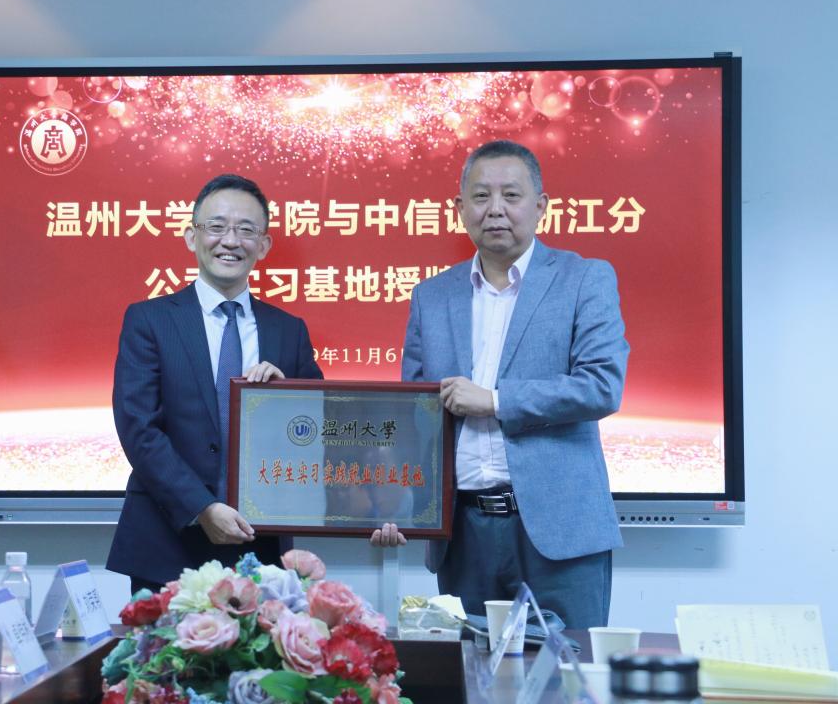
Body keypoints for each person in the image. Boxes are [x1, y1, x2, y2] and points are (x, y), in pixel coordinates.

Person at [370, 140, 629, 628]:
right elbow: (415, 417)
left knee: (566, 668)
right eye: (480, 196)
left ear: (541, 206)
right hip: (463, 534)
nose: (495, 209)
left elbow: (601, 385)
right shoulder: (432, 296)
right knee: (469, 668)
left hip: (559, 531)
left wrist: (494, 400)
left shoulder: (584, 279)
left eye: (511, 195)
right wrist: (396, 506)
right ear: (460, 208)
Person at [107, 173, 323, 594]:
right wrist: (202, 507)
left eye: (246, 230)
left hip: (260, 547)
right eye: (217, 226)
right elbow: (138, 428)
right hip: (166, 543)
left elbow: (319, 429)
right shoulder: (149, 320)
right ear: (192, 236)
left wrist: (288, 397)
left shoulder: (289, 330)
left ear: (264, 245)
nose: (231, 240)